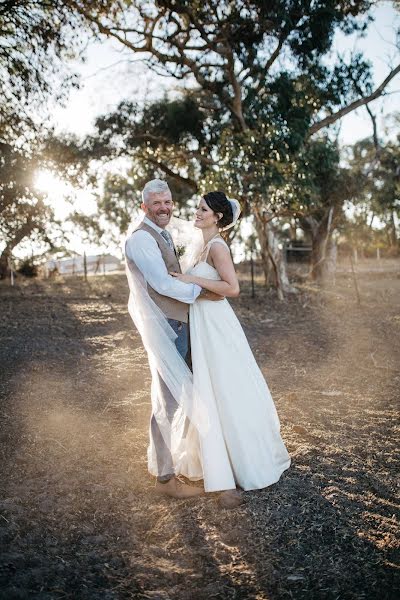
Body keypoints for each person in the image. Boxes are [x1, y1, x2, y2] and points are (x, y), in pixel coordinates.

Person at [171, 191, 291, 508]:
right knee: (208, 388)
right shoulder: (201, 246)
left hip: (216, 327)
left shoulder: (218, 246)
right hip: (202, 322)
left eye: (203, 209)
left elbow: (231, 288)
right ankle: (213, 457)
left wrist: (185, 277)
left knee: (225, 387)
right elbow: (210, 291)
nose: (196, 212)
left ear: (218, 217)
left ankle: (243, 459)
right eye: (197, 207)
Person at [124, 179, 220, 499]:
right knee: (166, 401)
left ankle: (194, 461)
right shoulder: (140, 239)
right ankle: (166, 481)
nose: (163, 208)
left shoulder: (166, 233)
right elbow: (163, 284)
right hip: (166, 326)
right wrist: (201, 290)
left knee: (189, 392)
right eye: (156, 204)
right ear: (144, 208)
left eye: (167, 202)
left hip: (181, 323)